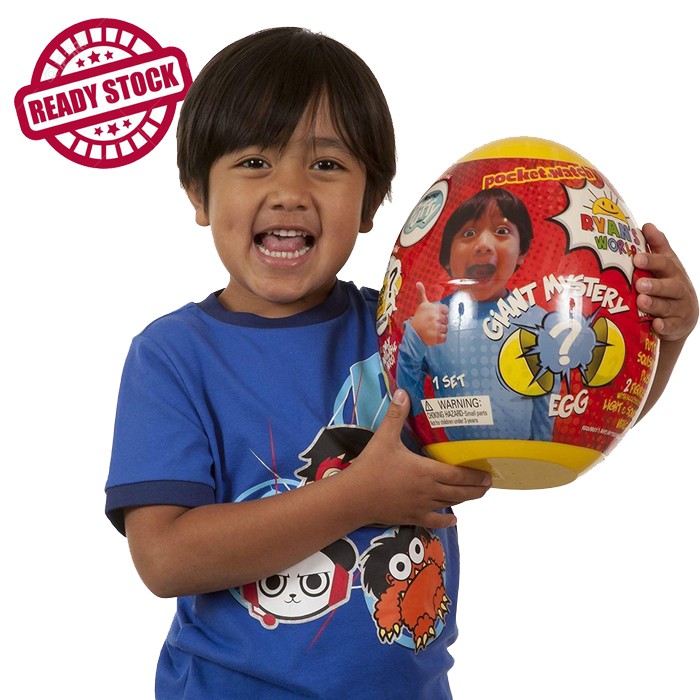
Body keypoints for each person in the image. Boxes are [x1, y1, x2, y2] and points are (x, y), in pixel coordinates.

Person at [104, 27, 698, 700]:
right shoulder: (172, 356)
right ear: (197, 193)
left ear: (371, 203)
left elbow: (560, 423)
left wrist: (664, 337)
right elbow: (164, 558)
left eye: (326, 164)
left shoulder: (407, 328)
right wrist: (357, 497)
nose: (290, 190)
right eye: (254, 161)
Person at [396, 188, 555, 442]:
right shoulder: (429, 322)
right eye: (468, 233)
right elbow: (408, 406)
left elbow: (544, 408)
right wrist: (414, 338)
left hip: (524, 458)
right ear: (447, 259)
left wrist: (540, 453)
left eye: (501, 231)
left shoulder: (538, 323)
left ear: (522, 252)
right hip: (453, 459)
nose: (483, 245)